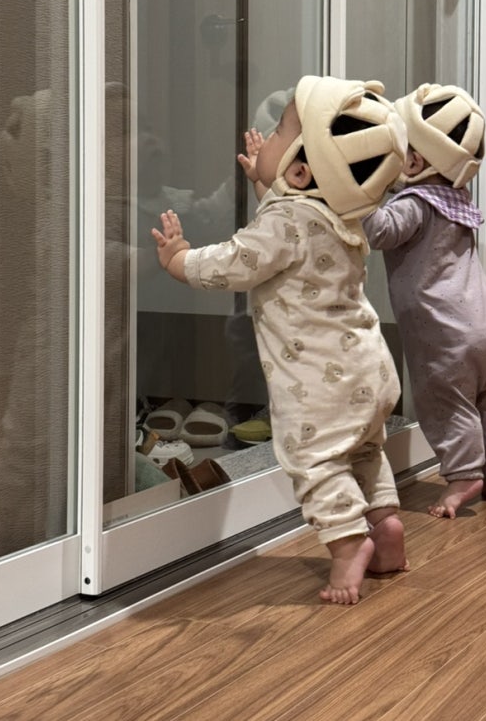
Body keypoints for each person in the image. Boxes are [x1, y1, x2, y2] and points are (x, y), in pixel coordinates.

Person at [152, 75, 410, 604]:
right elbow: (293, 223)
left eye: (276, 134)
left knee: (315, 459)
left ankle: (347, 545)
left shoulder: (286, 220)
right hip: (367, 366)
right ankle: (385, 528)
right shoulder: (339, 214)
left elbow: (238, 261)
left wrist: (181, 261)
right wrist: (264, 183)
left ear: (298, 170)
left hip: (320, 382)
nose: (263, 139)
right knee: (364, 450)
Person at [363, 82, 486, 519]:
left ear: (413, 162)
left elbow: (379, 231)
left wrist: (359, 192)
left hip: (444, 334)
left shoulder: (414, 204)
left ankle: (463, 475)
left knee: (447, 404)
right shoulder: (455, 200)